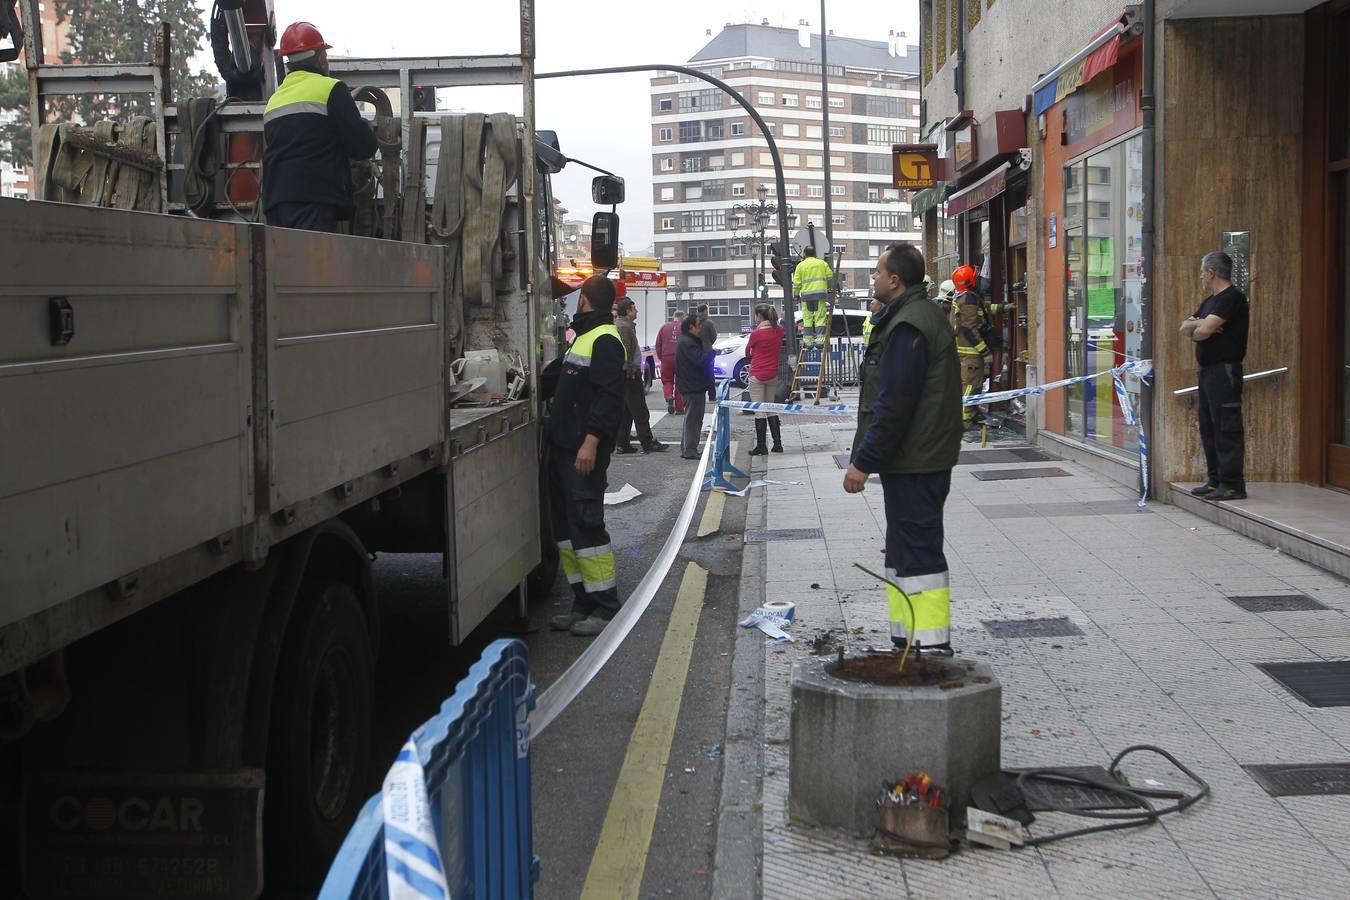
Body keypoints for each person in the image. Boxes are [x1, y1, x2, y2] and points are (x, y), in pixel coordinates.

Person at [844, 244, 962, 656]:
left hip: (916, 460)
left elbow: (894, 404)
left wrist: (862, 462)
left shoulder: (909, 324)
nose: (873, 278)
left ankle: (927, 647)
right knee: (903, 552)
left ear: (895, 280)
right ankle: (908, 641)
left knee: (916, 555)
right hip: (916, 458)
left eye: (877, 272)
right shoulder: (914, 316)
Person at [542, 275, 627, 637]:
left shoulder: (605, 340)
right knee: (566, 529)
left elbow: (609, 399)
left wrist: (591, 441)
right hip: (564, 447)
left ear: (583, 302)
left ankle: (605, 607)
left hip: (581, 451)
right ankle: (582, 602)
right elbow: (559, 380)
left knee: (587, 525)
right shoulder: (586, 337)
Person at [262, 22, 378, 232]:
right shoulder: (331, 88)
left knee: (286, 263)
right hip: (312, 201)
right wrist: (367, 128)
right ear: (320, 58)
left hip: (275, 203)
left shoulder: (274, 101)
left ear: (289, 64)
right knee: (313, 262)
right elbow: (363, 147)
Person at [1181, 251, 1249, 501]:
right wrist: (1198, 328)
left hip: (1225, 371)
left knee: (1226, 426)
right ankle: (1215, 480)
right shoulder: (1209, 302)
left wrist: (1201, 327)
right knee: (1208, 426)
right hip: (1207, 371)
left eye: (1202, 272)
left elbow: (1205, 328)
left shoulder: (1232, 298)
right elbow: (1185, 329)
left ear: (1211, 272)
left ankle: (1232, 484)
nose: (1201, 277)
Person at [613, 298, 667, 454]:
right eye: (634, 309)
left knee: (627, 410)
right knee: (640, 410)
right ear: (629, 311)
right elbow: (626, 352)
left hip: (626, 373)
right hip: (629, 374)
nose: (637, 311)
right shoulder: (624, 327)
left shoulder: (624, 325)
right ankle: (647, 442)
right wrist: (631, 371)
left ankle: (622, 443)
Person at [949, 264, 992, 429]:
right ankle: (965, 420)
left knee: (971, 385)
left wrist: (1002, 307)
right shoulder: (968, 299)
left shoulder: (962, 296)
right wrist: (985, 351)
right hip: (971, 353)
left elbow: (983, 310)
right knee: (970, 386)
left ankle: (971, 415)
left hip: (963, 351)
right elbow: (969, 329)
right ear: (970, 280)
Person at [745, 305, 785, 455]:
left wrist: (756, 352)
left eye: (755, 316)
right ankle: (777, 444)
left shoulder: (756, 334)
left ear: (760, 317)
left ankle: (761, 446)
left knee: (759, 410)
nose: (755, 319)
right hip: (772, 373)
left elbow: (747, 352)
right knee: (771, 408)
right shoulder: (779, 331)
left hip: (757, 374)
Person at [676, 314, 711, 459]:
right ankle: (690, 449)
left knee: (691, 418)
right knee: (694, 419)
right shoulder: (688, 343)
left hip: (692, 385)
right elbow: (700, 360)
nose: (700, 327)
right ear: (691, 327)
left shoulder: (687, 341)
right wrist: (711, 354)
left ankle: (687, 448)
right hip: (693, 386)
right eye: (698, 325)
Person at [793, 246, 834, 349]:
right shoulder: (822, 263)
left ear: (804, 254)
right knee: (820, 317)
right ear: (815, 253)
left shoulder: (800, 266)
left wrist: (796, 294)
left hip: (806, 296)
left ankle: (809, 342)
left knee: (807, 319)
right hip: (820, 295)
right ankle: (820, 342)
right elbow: (830, 276)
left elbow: (797, 283)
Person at [655, 310, 685, 415]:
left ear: (673, 317)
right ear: (682, 317)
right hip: (681, 358)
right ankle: (679, 408)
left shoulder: (664, 327)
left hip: (666, 357)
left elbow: (658, 344)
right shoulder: (684, 328)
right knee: (680, 382)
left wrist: (661, 357)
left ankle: (668, 396)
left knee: (667, 380)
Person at [697, 304, 719, 402]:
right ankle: (712, 396)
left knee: (697, 374)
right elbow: (714, 336)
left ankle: (698, 395)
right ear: (705, 311)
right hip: (707, 352)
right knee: (710, 375)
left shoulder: (695, 322)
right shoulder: (709, 323)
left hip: (696, 352)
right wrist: (708, 344)